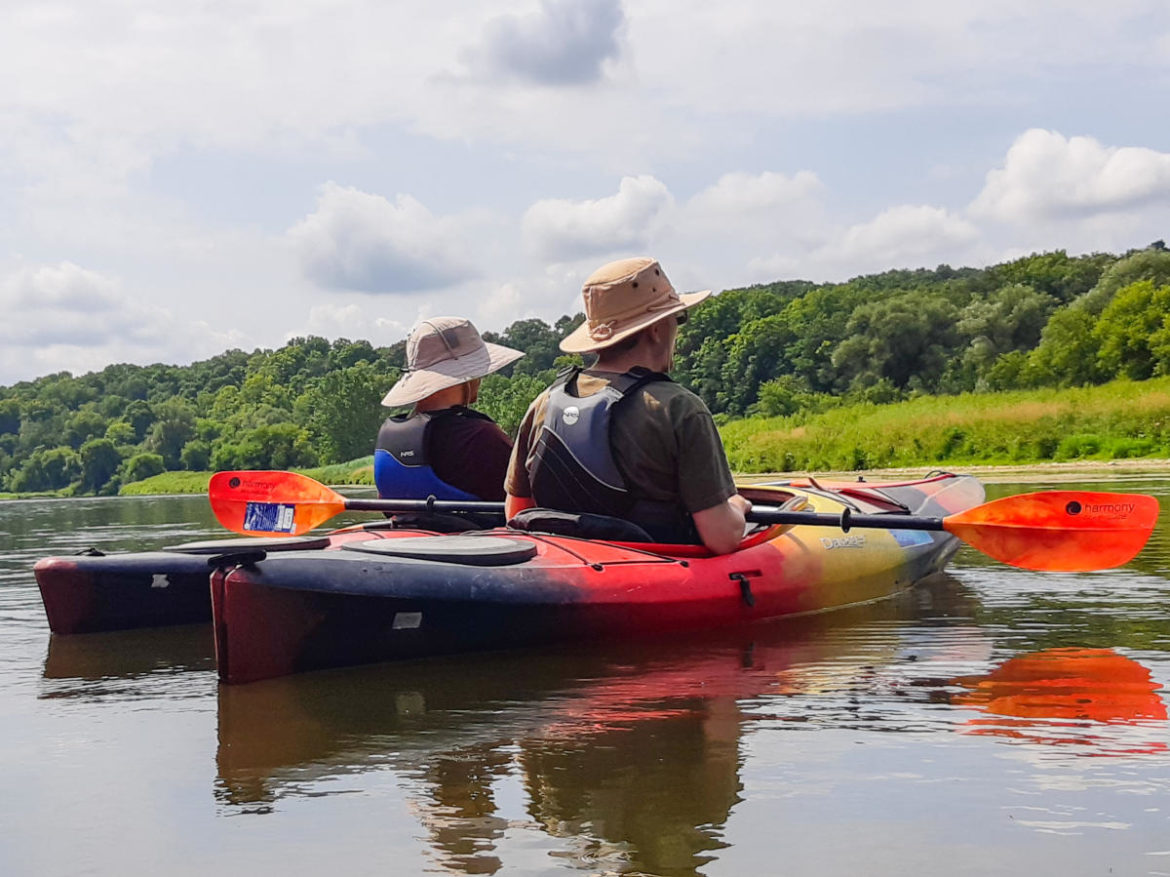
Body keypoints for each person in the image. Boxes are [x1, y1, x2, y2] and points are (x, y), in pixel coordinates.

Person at [504, 257, 751, 554]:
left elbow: (517, 513)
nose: (678, 329)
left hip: (565, 565)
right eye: (678, 319)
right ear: (657, 329)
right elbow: (721, 538)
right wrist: (737, 506)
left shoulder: (544, 403)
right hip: (657, 574)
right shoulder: (680, 408)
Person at [376, 316, 523, 503]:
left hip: (408, 529)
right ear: (466, 377)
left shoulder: (389, 438)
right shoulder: (481, 436)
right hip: (475, 530)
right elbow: (525, 499)